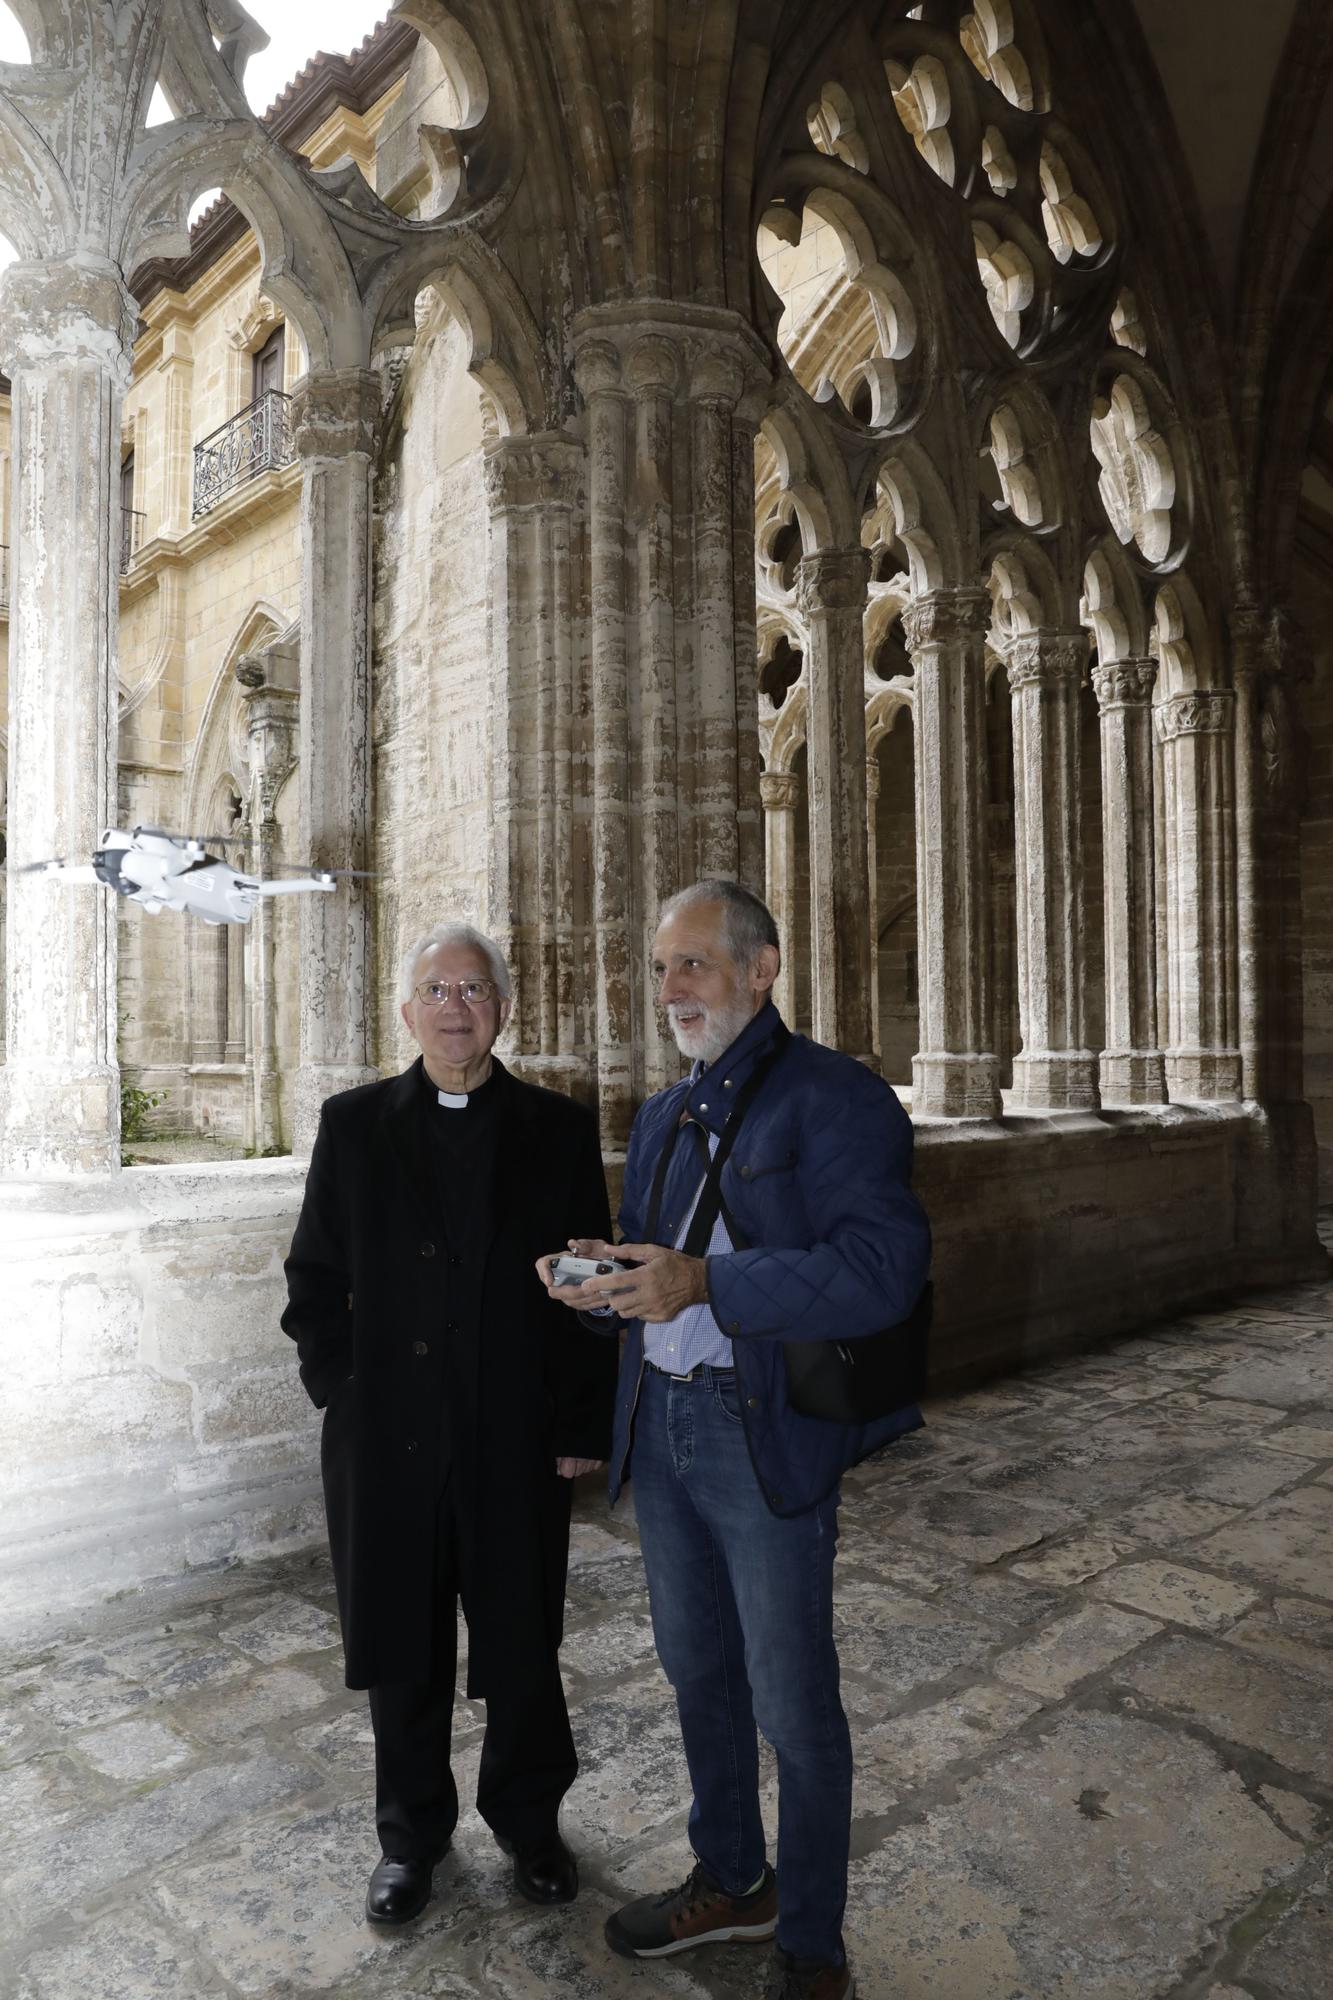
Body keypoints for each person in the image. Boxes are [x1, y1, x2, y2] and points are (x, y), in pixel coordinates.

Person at [539, 879, 930, 2000]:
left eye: (694, 964)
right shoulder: (667, 1112)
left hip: (757, 1427)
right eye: (661, 967)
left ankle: (810, 1939)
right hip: (659, 1427)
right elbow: (668, 1262)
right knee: (696, 1669)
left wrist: (707, 1278)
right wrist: (611, 1271)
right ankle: (732, 1876)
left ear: (761, 970)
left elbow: (881, 1268)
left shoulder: (834, 1099)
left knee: (792, 1699)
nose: (671, 989)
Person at [283, 921, 617, 1926]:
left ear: (502, 1008)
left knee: (522, 1638)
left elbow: (590, 1285)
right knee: (404, 1646)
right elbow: (313, 1280)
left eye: (474, 988)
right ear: (407, 1009)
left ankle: (528, 1820)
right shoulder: (352, 1126)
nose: (455, 1006)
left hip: (514, 1438)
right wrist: (344, 1386)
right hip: (386, 1445)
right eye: (436, 988)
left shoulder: (557, 1130)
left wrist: (580, 1420)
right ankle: (409, 1835)